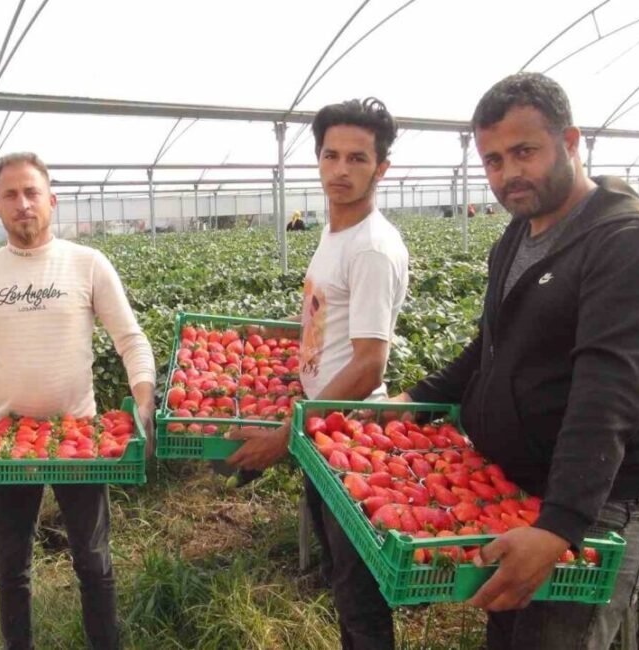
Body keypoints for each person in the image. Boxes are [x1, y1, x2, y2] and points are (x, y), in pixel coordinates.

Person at [392, 72, 639, 649]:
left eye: (524, 152)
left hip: (601, 507)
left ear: (570, 141)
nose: (509, 173)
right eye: (493, 160)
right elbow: (491, 346)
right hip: (525, 491)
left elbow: (609, 391)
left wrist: (558, 526)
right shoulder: (519, 234)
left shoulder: (629, 242)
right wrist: (415, 399)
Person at [0, 152, 156, 650]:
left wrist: (144, 402)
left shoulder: (87, 264)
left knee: (93, 563)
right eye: (11, 194)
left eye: (31, 192)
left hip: (81, 439)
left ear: (51, 201)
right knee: (11, 567)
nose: (22, 203)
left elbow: (131, 340)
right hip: (5, 443)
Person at [227, 98, 409, 649]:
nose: (341, 170)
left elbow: (369, 363)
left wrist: (288, 435)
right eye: (331, 155)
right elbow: (324, 323)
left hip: (348, 433)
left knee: (359, 594)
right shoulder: (335, 234)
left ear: (381, 168)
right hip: (321, 428)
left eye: (358, 158)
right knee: (341, 578)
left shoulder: (371, 247)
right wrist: (273, 339)